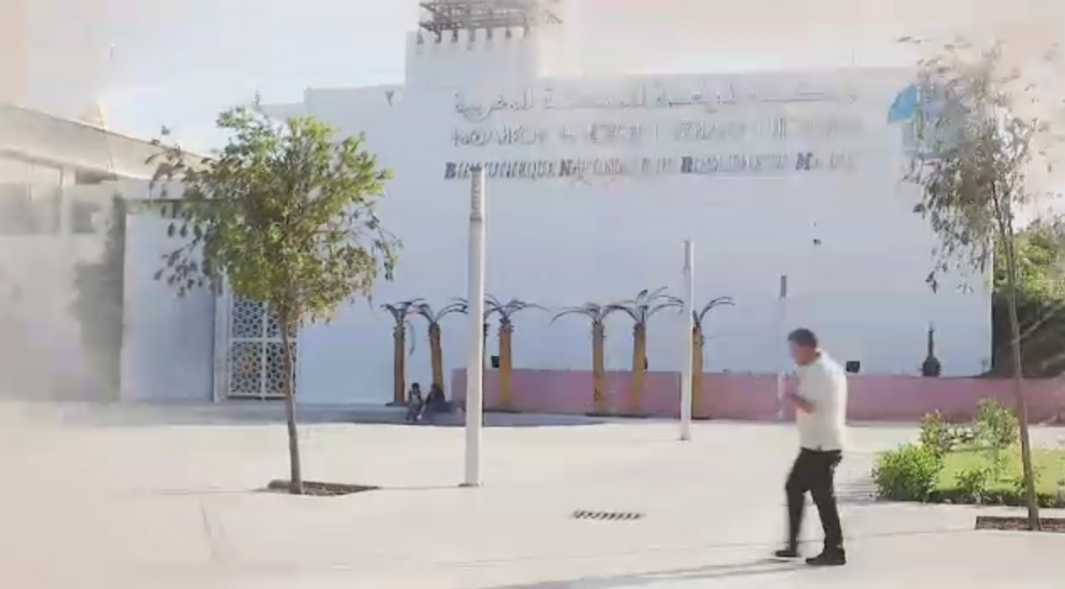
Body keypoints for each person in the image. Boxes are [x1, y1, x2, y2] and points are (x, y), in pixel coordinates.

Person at [775, 328, 848, 567]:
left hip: (821, 446)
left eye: (794, 350)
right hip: (816, 444)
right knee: (795, 487)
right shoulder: (818, 367)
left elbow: (811, 407)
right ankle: (794, 545)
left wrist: (790, 396)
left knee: (823, 497)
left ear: (806, 347)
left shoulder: (821, 372)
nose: (792, 355)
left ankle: (835, 549)